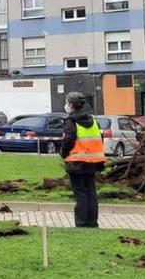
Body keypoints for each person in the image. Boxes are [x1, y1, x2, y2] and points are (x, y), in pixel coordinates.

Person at [58, 92, 104, 228]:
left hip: (76, 161)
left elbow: (69, 139)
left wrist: (63, 152)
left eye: (67, 102)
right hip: (93, 161)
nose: (65, 105)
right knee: (91, 191)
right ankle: (92, 222)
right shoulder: (93, 121)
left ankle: (82, 222)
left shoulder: (71, 121)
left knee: (80, 192)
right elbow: (99, 139)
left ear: (71, 104)